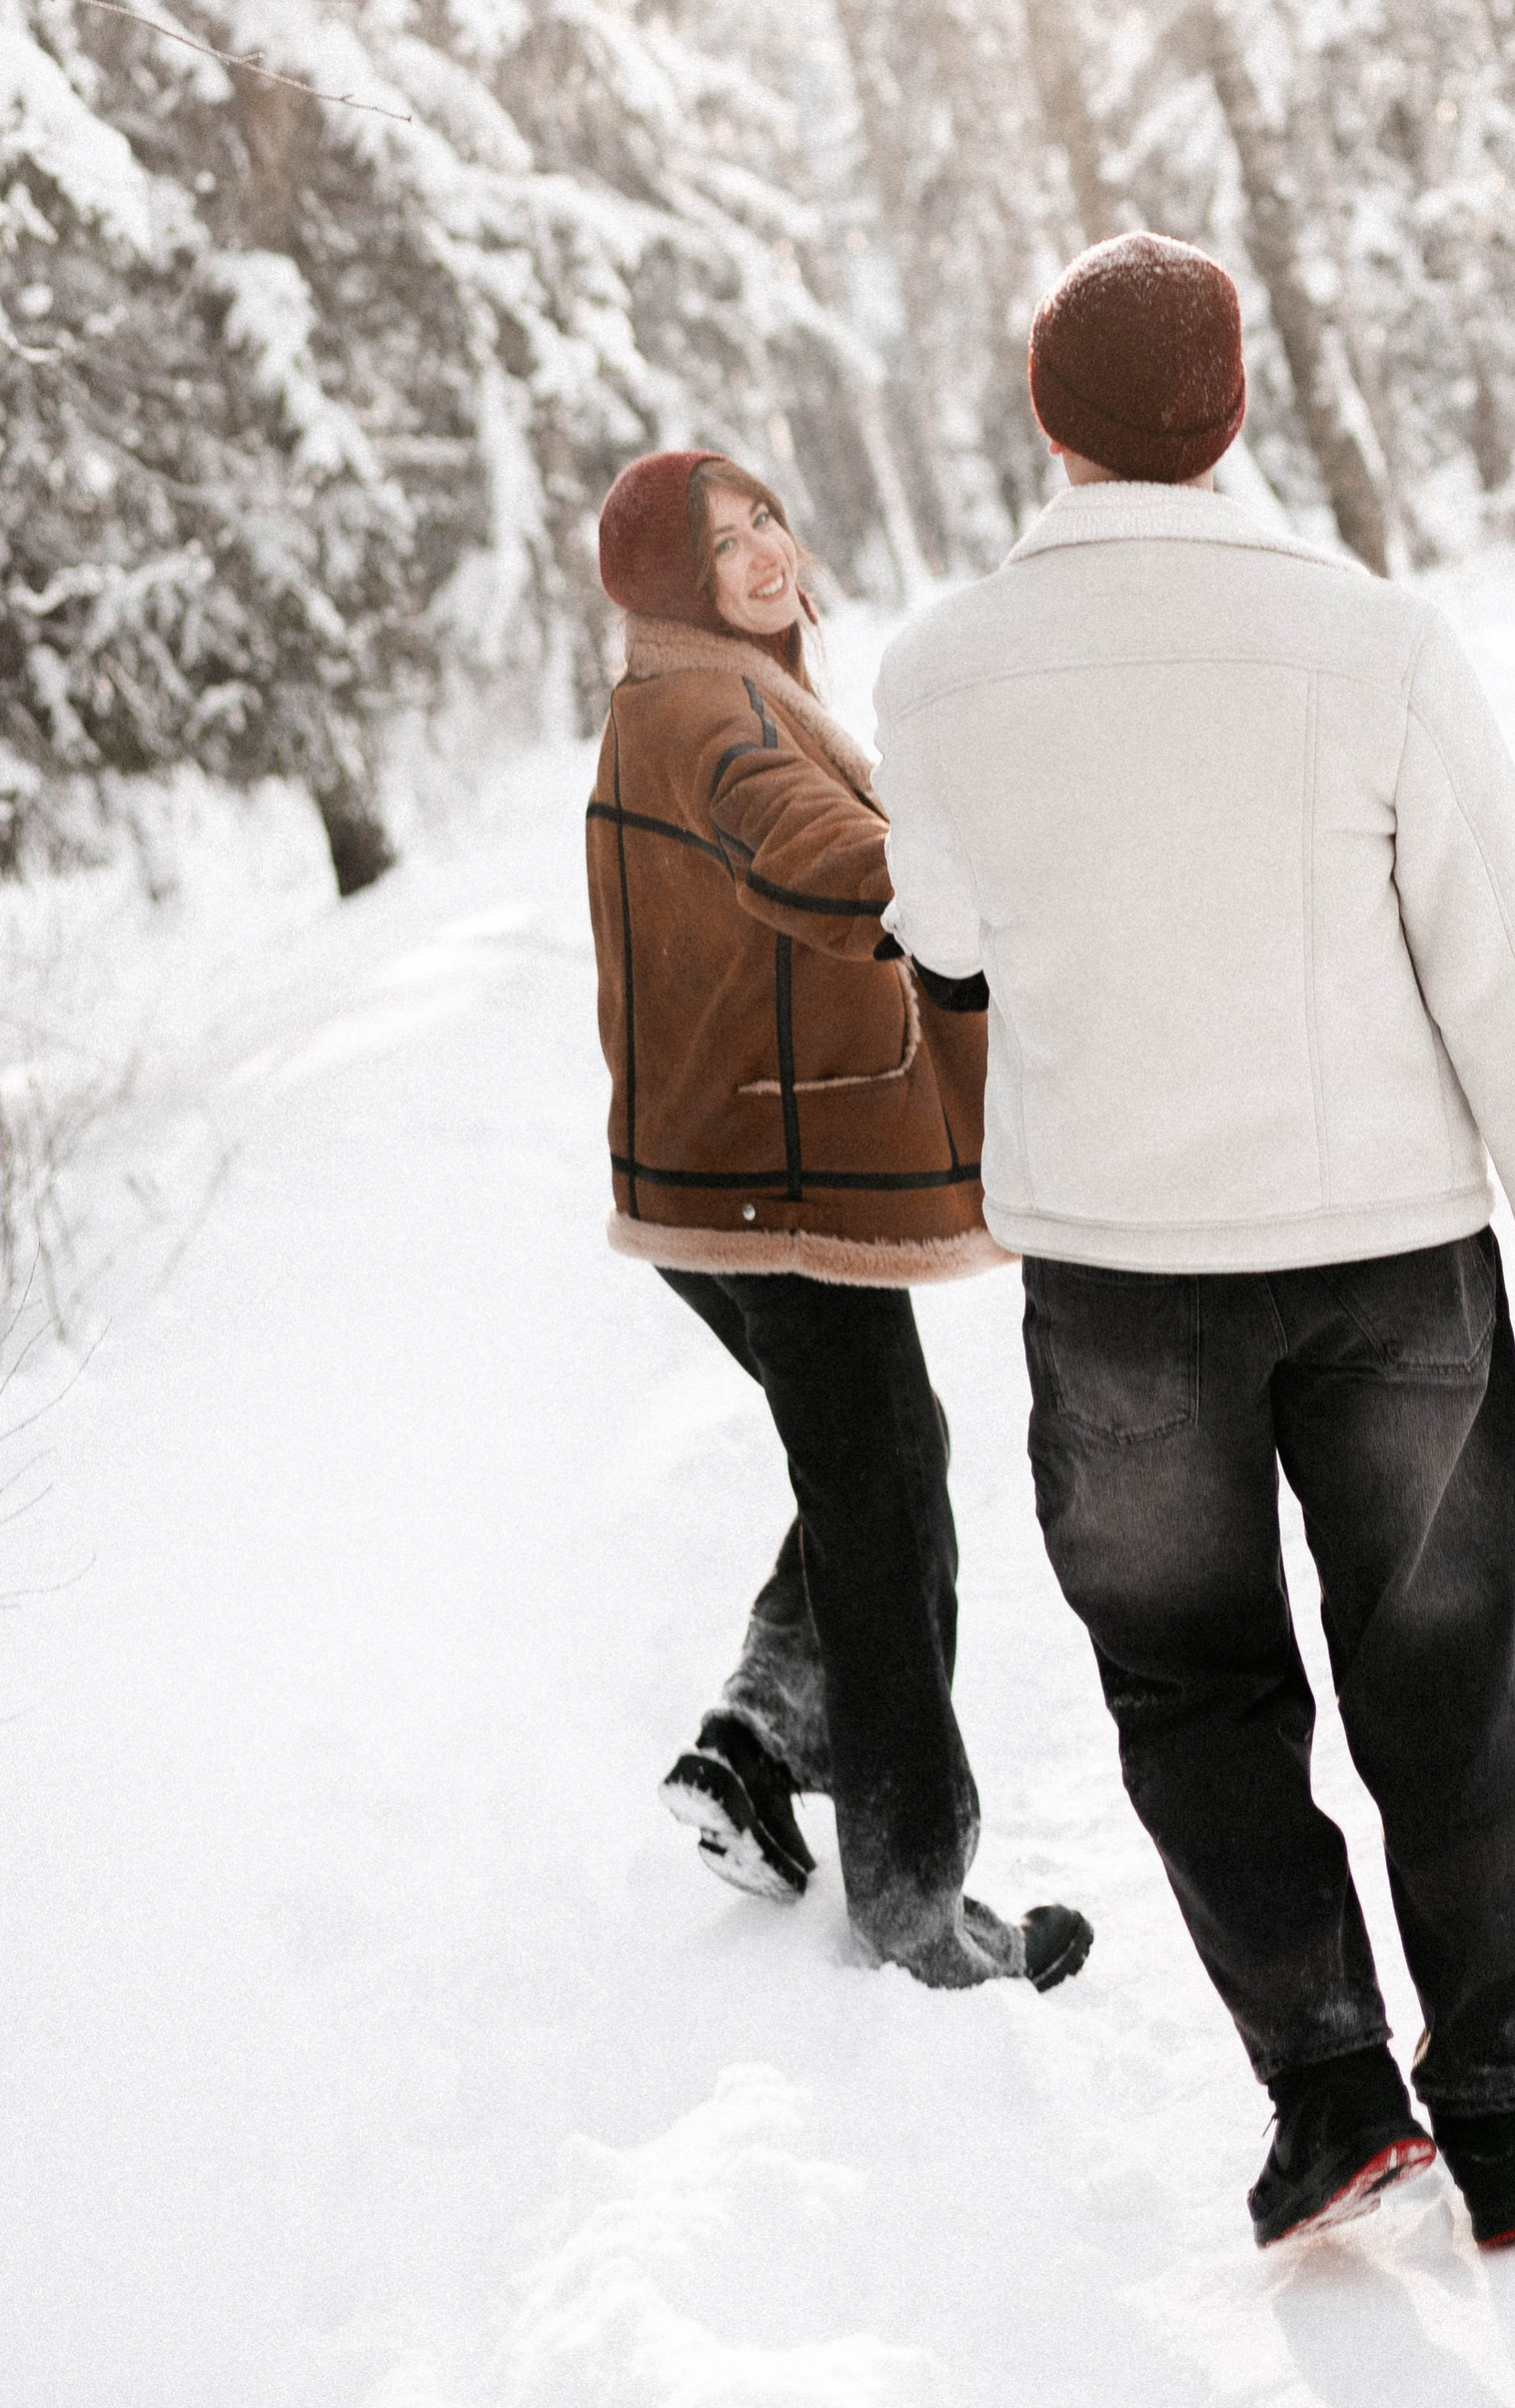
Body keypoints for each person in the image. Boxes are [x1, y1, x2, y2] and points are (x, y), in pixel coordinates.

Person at [873, 235, 1515, 2246]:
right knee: (1451, 1690)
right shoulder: (1369, 642)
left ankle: (1328, 2096)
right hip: (1393, 1263)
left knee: (1193, 1695)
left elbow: (940, 948)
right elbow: (1508, 972)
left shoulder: (938, 671)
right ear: (1232, 412)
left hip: (1120, 1286)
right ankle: (1507, 2125)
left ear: (1046, 418)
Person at [585, 444, 1091, 1996]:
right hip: (757, 1183)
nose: (761, 556)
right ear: (674, 588)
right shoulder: (702, 711)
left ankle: (755, 1744)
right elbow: (801, 853)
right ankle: (916, 1900)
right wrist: (966, 877)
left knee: (880, 1458)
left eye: (766, 524)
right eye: (722, 544)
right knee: (882, 1504)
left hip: (717, 1173)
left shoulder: (700, 696)